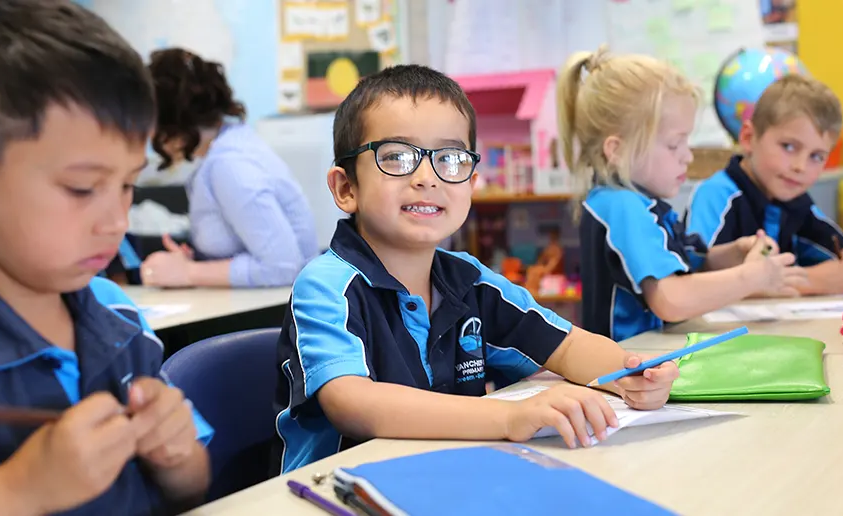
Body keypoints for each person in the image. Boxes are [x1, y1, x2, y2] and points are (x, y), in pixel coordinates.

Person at [269, 64, 682, 476]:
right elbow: (354, 404)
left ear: (471, 183)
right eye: (396, 156)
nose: (427, 178)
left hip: (444, 479)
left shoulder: (470, 281)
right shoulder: (326, 285)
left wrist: (628, 373)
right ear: (346, 188)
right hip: (333, 490)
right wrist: (508, 418)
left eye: (450, 158)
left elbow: (567, 346)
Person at [0, 1, 212, 514]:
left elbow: (193, 487)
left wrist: (176, 456)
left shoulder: (116, 312)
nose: (116, 221)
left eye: (127, 186)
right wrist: (18, 490)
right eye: (81, 188)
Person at [561, 47, 808, 342]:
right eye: (674, 144)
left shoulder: (628, 200)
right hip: (631, 370)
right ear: (617, 150)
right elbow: (670, 298)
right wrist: (753, 277)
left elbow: (681, 262)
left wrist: (731, 254)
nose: (687, 157)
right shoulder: (623, 206)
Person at [687, 74, 843, 294]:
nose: (800, 167)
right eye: (788, 146)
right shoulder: (716, 195)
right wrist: (810, 281)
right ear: (748, 138)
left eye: (816, 156)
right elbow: (697, 281)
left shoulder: (794, 200)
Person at [140, 48, 317, 288]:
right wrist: (197, 263)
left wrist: (189, 272)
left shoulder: (230, 165)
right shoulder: (229, 146)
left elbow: (283, 267)